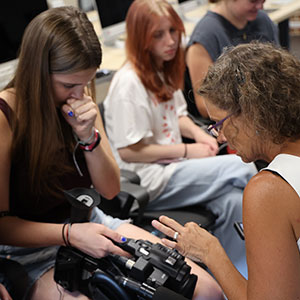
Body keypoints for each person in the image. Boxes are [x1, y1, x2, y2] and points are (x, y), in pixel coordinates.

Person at [0, 6, 223, 300]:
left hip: (92, 222)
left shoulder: (82, 100)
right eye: (69, 85)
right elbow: (3, 227)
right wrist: (69, 234)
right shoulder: (6, 116)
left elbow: (109, 189)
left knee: (207, 291)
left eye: (86, 83)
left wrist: (87, 137)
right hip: (32, 251)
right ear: (38, 74)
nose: (79, 95)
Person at [104, 0, 257, 279]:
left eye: (173, 31)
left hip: (174, 167)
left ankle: (236, 280)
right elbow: (129, 152)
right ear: (141, 38)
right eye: (159, 35)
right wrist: (189, 150)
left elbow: (177, 114)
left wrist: (201, 135)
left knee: (234, 202)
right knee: (244, 167)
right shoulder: (128, 83)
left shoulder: (161, 69)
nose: (172, 41)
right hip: (150, 176)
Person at [152, 41, 300, 300]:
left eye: (218, 123)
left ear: (252, 112)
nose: (219, 137)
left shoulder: (269, 191)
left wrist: (210, 251)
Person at [184, 0, 279, 121]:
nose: (260, 6)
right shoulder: (206, 35)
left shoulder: (262, 20)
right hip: (237, 121)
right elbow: (205, 104)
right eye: (253, 1)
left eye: (263, 0)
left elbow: (279, 73)